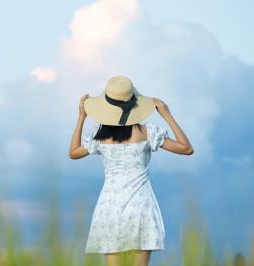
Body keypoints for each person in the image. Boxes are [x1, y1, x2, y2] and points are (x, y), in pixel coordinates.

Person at [68, 75, 193, 266]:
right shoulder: (147, 132)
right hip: (140, 208)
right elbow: (186, 148)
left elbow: (74, 152)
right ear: (135, 104)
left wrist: (81, 117)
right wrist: (167, 114)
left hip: (109, 209)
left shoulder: (99, 137)